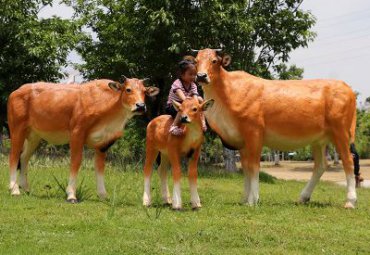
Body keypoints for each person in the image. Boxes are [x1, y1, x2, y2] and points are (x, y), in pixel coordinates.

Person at [166, 59, 206, 135]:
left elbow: (195, 97)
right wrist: (189, 102)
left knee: (200, 99)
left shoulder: (193, 85)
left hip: (186, 104)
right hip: (173, 106)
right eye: (190, 74)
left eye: (195, 74)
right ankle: (173, 127)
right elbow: (182, 97)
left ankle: (203, 122)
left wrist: (197, 104)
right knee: (182, 107)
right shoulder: (177, 83)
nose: (193, 77)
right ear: (182, 74)